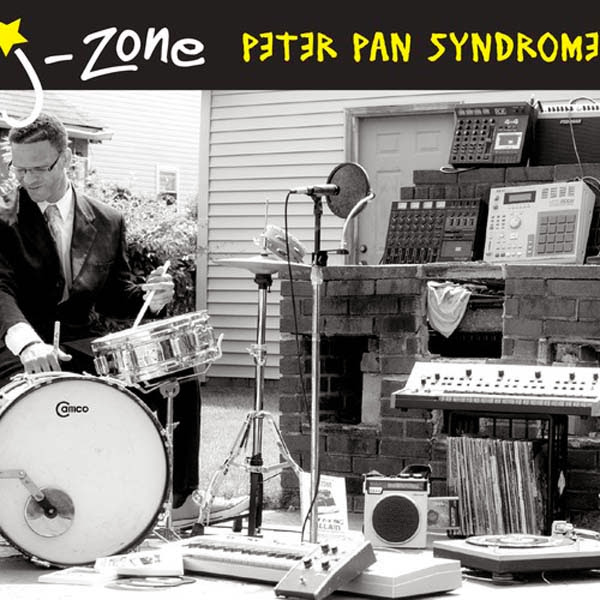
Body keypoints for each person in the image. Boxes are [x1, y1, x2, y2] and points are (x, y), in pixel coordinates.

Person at [0, 112, 200, 509]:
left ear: (66, 159)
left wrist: (151, 296)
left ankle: (181, 502)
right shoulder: (3, 216)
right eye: (18, 169)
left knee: (178, 375)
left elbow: (115, 298)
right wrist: (27, 344)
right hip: (14, 347)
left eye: (38, 168)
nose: (27, 179)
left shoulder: (108, 219)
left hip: (80, 344)